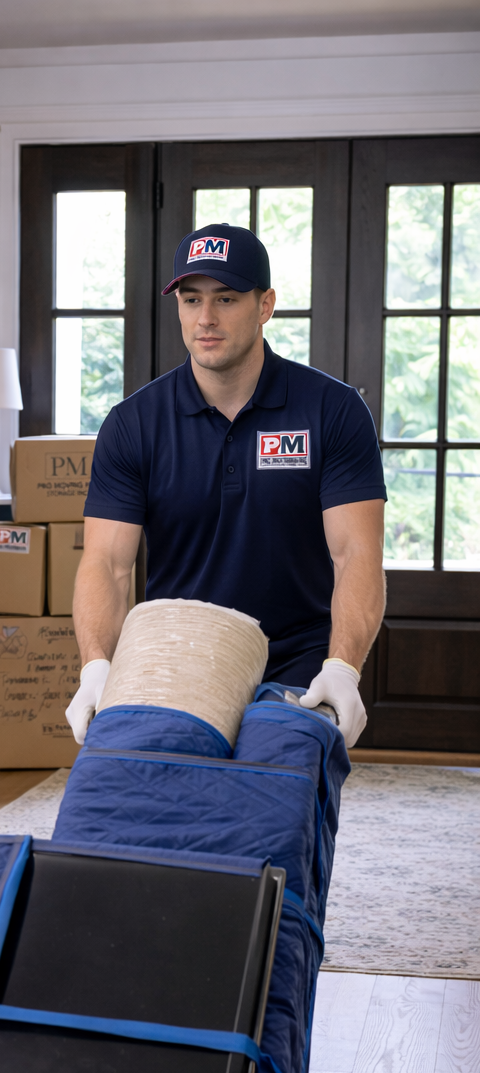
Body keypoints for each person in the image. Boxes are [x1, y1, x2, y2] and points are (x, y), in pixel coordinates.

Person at [66, 222, 386, 749]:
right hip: (176, 658)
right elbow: (106, 563)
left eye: (227, 298)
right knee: (166, 816)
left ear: (265, 305)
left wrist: (342, 667)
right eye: (191, 299)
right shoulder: (133, 424)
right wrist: (97, 666)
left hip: (296, 664)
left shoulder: (332, 411)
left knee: (279, 806)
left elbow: (356, 553)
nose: (205, 318)